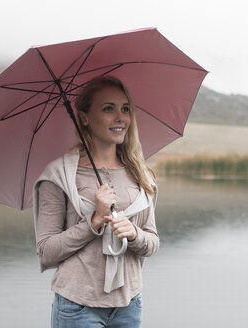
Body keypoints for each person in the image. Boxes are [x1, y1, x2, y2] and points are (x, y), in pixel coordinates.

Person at [33, 76, 159, 328]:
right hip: (78, 307)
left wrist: (133, 234)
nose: (120, 117)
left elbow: (152, 243)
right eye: (108, 108)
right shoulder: (59, 176)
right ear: (84, 118)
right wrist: (94, 221)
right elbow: (46, 252)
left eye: (125, 109)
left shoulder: (141, 174)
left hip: (129, 305)